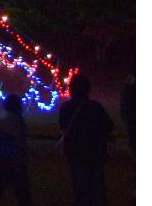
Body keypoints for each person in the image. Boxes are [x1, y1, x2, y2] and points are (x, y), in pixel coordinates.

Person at [58, 75, 114, 206]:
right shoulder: (95, 107)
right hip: (94, 151)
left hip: (74, 151)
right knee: (96, 184)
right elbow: (108, 126)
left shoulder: (66, 108)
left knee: (78, 183)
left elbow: (63, 125)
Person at [0, 94, 31, 206]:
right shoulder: (19, 122)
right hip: (13, 158)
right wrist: (20, 160)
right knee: (22, 190)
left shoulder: (1, 122)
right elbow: (20, 142)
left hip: (2, 158)